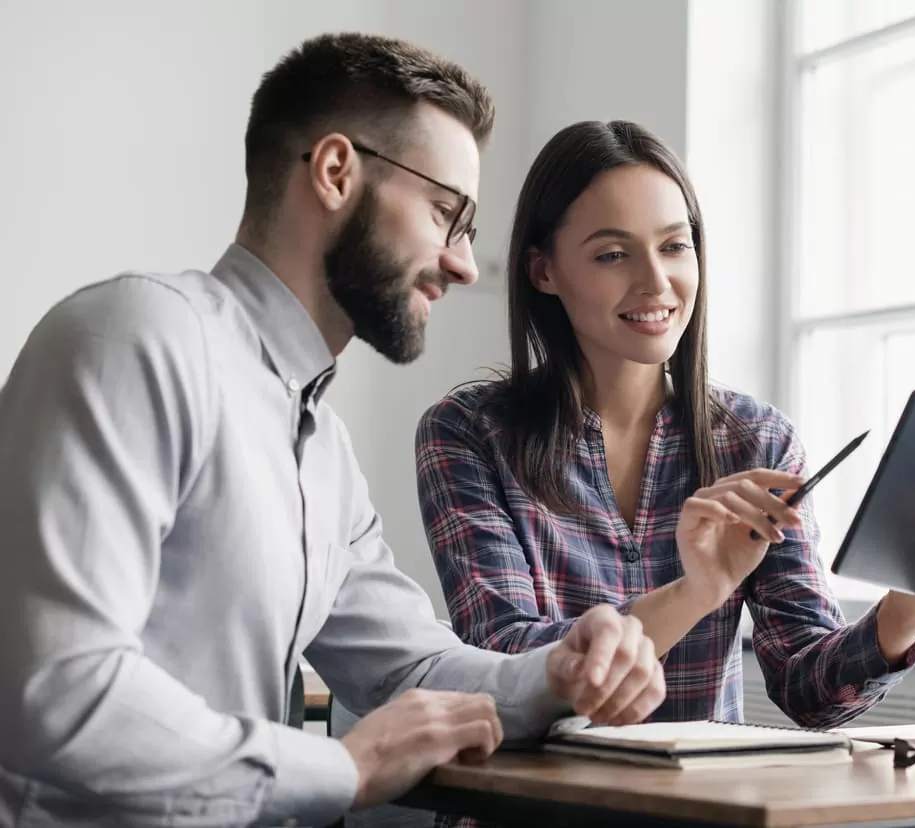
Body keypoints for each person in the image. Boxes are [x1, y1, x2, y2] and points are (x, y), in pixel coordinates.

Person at [0, 36, 665, 828]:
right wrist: (344, 768)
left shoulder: (322, 448)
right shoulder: (136, 336)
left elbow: (409, 666)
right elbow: (53, 687)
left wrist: (556, 672)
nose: (462, 265)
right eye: (445, 213)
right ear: (336, 172)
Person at [414, 120, 915, 730]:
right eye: (613, 254)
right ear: (543, 272)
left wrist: (912, 608)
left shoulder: (756, 439)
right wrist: (695, 592)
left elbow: (808, 688)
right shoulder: (467, 434)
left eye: (674, 245)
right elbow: (507, 660)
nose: (656, 282)